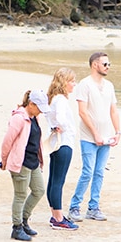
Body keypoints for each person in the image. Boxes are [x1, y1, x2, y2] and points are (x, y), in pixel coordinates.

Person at [68, 52, 121, 222]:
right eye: (105, 64)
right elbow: (82, 112)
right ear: (95, 65)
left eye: (109, 64)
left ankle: (93, 207)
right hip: (88, 138)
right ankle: (74, 207)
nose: (108, 67)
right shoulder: (84, 85)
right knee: (87, 172)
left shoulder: (109, 86)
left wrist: (118, 132)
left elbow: (113, 110)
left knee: (99, 173)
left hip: (106, 138)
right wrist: (95, 134)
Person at [0, 90, 50, 242]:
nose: (41, 111)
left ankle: (24, 220)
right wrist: (4, 160)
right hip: (20, 163)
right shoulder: (19, 118)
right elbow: (7, 141)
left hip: (33, 161)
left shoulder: (34, 117)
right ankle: (17, 227)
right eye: (39, 107)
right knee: (20, 195)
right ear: (31, 104)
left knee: (39, 190)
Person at [45, 68, 79, 231]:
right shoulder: (61, 100)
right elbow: (60, 119)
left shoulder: (52, 98)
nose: (74, 84)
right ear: (64, 82)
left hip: (55, 144)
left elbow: (49, 117)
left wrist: (54, 126)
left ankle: (55, 214)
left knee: (53, 179)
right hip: (64, 143)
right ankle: (58, 218)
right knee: (58, 181)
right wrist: (63, 127)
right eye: (72, 81)